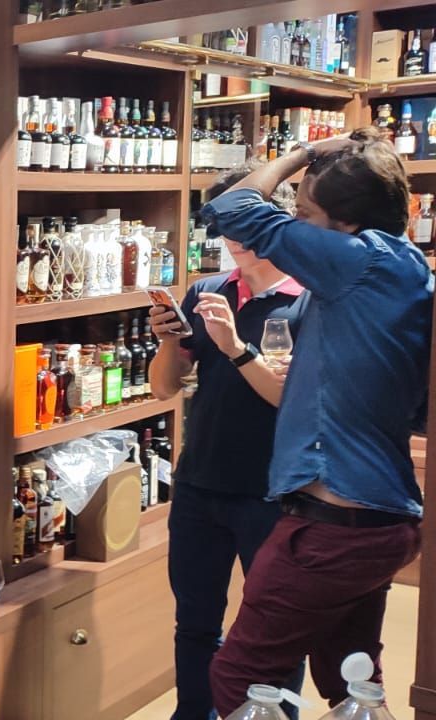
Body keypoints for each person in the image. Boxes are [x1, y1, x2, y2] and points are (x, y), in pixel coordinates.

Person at [204, 129, 430, 716]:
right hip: (378, 521)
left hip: (333, 527)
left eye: (304, 216)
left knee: (240, 673)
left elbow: (233, 208)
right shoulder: (402, 268)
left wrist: (304, 153)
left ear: (346, 227)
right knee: (352, 681)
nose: (295, 227)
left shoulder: (362, 262)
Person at [148, 162, 308, 720]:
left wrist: (236, 346)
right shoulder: (207, 290)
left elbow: (287, 399)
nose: (233, 239)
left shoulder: (308, 300)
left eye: (243, 225)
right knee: (194, 622)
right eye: (223, 227)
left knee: (275, 628)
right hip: (199, 483)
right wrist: (168, 341)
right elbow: (165, 387)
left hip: (274, 492)